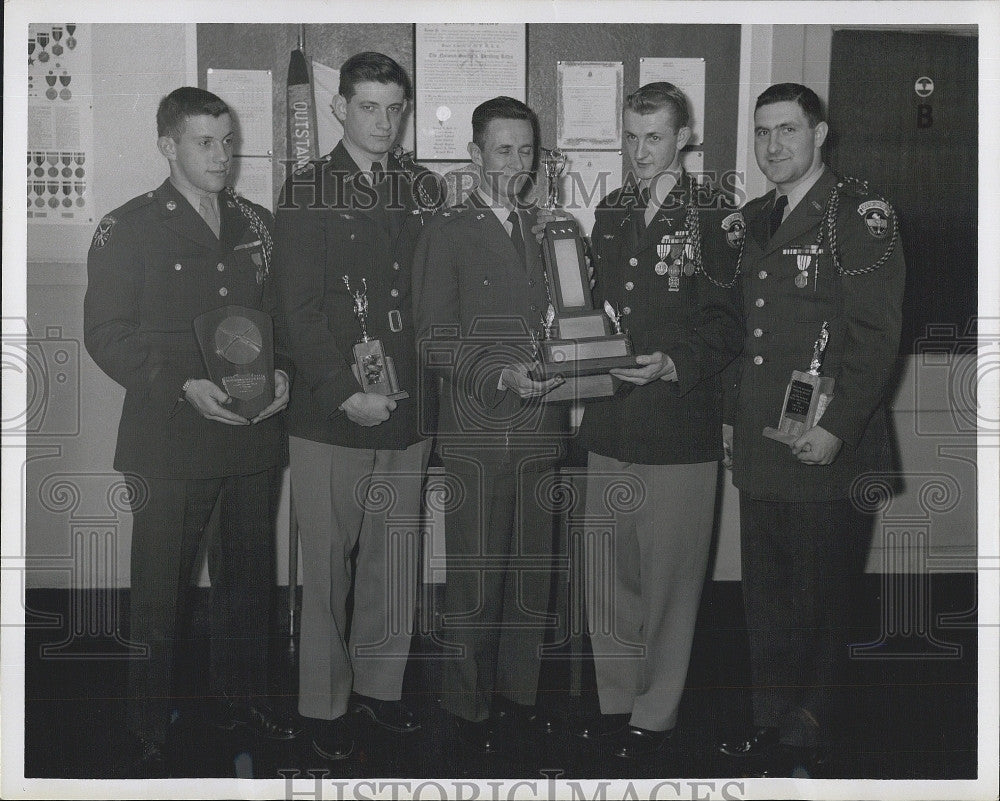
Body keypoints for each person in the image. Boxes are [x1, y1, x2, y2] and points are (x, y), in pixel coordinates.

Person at [84, 86, 300, 778]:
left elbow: (280, 321)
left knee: (247, 581)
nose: (222, 156)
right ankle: (147, 722)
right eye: (206, 142)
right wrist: (180, 385)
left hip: (248, 432)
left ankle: (246, 698)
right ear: (167, 146)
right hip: (170, 435)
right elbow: (106, 334)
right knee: (160, 589)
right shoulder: (130, 227)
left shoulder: (257, 224)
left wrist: (286, 376)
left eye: (228, 141)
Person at [719, 83, 905, 776]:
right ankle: (771, 721)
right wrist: (731, 422)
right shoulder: (754, 217)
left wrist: (837, 425)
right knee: (765, 595)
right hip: (765, 441)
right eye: (763, 132)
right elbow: (748, 338)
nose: (774, 145)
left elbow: (875, 334)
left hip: (828, 444)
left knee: (820, 599)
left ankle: (809, 735)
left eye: (788, 130)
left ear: (819, 134)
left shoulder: (859, 216)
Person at [272, 51, 442, 762]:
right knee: (330, 566)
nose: (382, 121)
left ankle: (379, 692)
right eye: (368, 106)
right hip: (330, 413)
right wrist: (345, 392)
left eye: (393, 108)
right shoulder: (308, 189)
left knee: (391, 562)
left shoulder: (424, 187)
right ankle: (323, 706)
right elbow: (296, 311)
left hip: (408, 406)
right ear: (341, 107)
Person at [571, 82, 743, 759]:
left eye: (655, 138)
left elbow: (729, 323)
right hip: (613, 422)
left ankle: (655, 713)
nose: (640, 152)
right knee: (610, 574)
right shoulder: (611, 211)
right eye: (632, 137)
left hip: (677, 421)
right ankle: (616, 701)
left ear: (684, 138)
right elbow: (593, 305)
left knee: (670, 581)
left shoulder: (715, 214)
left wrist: (674, 362)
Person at [412, 96, 569, 753]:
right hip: (479, 427)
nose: (516, 163)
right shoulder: (447, 230)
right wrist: (498, 372)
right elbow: (431, 338)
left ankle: (519, 697)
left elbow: (568, 321)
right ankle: (467, 708)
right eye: (502, 150)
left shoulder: (548, 228)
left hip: (541, 425)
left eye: (526, 151)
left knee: (533, 571)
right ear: (475, 155)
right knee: (476, 577)